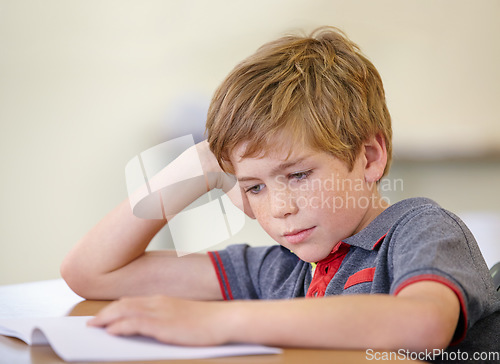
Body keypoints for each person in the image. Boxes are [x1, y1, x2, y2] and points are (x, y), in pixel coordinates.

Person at [60, 27, 500, 357]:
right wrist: (201, 162)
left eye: (298, 175)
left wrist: (219, 321)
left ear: (368, 157)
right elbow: (92, 272)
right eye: (255, 186)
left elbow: (423, 323)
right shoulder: (279, 273)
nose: (281, 208)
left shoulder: (419, 229)